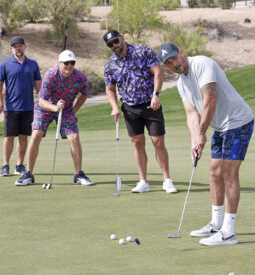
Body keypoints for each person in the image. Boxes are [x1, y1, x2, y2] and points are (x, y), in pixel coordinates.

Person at [157, 43, 254, 246]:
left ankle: (229, 232)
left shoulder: (202, 64)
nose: (173, 64)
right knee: (214, 171)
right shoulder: (181, 84)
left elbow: (210, 97)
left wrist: (202, 133)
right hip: (220, 126)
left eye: (174, 58)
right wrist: (195, 139)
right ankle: (216, 223)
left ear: (181, 53)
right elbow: (192, 113)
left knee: (228, 172)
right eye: (168, 63)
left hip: (238, 121)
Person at [103, 30, 177, 194]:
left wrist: (156, 95)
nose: (114, 45)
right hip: (130, 108)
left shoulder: (142, 50)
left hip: (151, 105)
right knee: (137, 143)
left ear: (122, 38)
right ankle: (143, 181)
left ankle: (167, 180)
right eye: (110, 44)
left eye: (116, 41)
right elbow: (110, 89)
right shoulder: (110, 65)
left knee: (158, 142)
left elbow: (158, 72)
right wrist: (115, 107)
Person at [14, 50, 94, 186]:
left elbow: (84, 94)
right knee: (36, 134)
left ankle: (78, 174)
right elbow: (41, 101)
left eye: (72, 63)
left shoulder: (80, 76)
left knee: (74, 137)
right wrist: (55, 108)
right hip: (45, 107)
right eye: (66, 63)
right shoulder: (51, 75)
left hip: (67, 108)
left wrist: (73, 111)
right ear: (59, 63)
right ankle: (28, 174)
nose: (69, 66)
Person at [0, 36, 41, 176]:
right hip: (11, 107)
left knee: (23, 137)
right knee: (9, 137)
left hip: (28, 106)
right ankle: (5, 165)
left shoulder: (33, 64)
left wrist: (41, 102)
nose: (18, 48)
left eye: (20, 45)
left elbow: (39, 86)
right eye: (15, 46)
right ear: (11, 48)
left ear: (25, 47)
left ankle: (19, 165)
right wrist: (0, 101)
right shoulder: (5, 65)